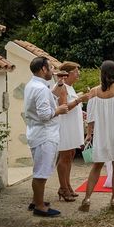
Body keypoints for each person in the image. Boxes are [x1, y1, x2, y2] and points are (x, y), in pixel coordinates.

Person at [80, 61, 114, 212]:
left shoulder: (94, 91)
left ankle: (87, 198)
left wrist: (90, 134)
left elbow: (90, 117)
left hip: (102, 134)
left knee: (96, 166)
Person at [23, 57, 70, 217]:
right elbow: (44, 115)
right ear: (43, 69)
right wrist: (59, 110)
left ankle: (37, 200)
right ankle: (40, 206)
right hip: (44, 135)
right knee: (41, 172)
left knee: (39, 169)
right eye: (50, 67)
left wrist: (60, 83)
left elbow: (47, 98)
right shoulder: (40, 88)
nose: (52, 70)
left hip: (36, 132)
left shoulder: (33, 84)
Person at [56, 61, 87, 201]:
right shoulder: (62, 88)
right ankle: (63, 187)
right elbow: (64, 107)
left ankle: (67, 185)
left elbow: (73, 107)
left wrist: (81, 112)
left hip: (73, 125)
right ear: (67, 74)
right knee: (65, 156)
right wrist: (80, 100)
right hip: (65, 126)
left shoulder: (70, 88)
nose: (78, 74)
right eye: (76, 71)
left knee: (71, 154)